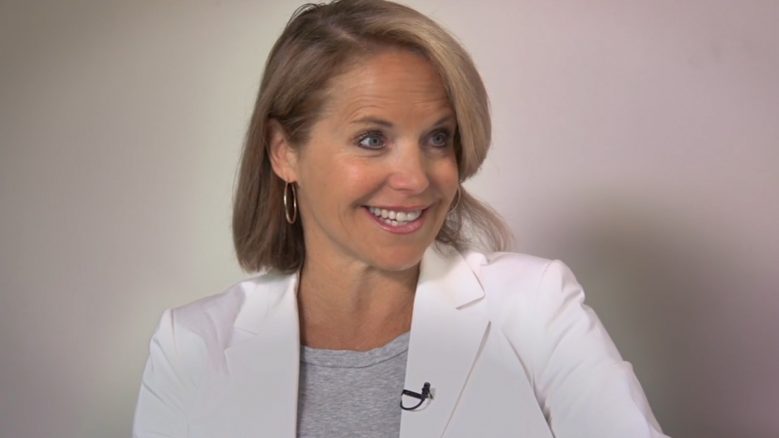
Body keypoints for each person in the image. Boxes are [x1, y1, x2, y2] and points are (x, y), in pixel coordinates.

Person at [133, 0, 668, 437]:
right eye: (372, 139)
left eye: (438, 137)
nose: (416, 178)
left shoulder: (536, 308)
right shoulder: (193, 347)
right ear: (283, 152)